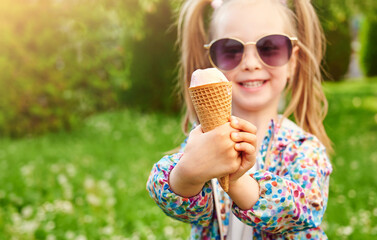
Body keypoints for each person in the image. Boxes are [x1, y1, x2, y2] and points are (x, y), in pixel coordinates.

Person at [147, 0, 333, 239]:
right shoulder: (204, 141)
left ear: (292, 62)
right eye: (231, 50)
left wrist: (235, 179)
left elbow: (302, 211)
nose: (251, 64)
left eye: (270, 47)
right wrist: (187, 174)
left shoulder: (302, 148)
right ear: (213, 62)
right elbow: (188, 210)